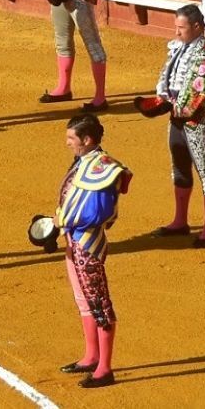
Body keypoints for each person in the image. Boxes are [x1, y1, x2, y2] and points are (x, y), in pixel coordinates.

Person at [144, 5, 205, 247]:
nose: (177, 32)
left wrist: (172, 107)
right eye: (176, 27)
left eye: (181, 28)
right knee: (180, 167)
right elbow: (167, 77)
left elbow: (203, 94)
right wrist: (160, 100)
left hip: (197, 121)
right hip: (176, 118)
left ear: (197, 27)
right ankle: (180, 221)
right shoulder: (178, 48)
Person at [54, 114, 132, 389]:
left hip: (88, 243)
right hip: (73, 241)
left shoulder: (104, 167)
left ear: (87, 140)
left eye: (71, 139)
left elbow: (101, 212)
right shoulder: (84, 161)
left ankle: (105, 369)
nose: (68, 143)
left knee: (99, 304)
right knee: (83, 300)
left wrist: (63, 221)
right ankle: (91, 355)